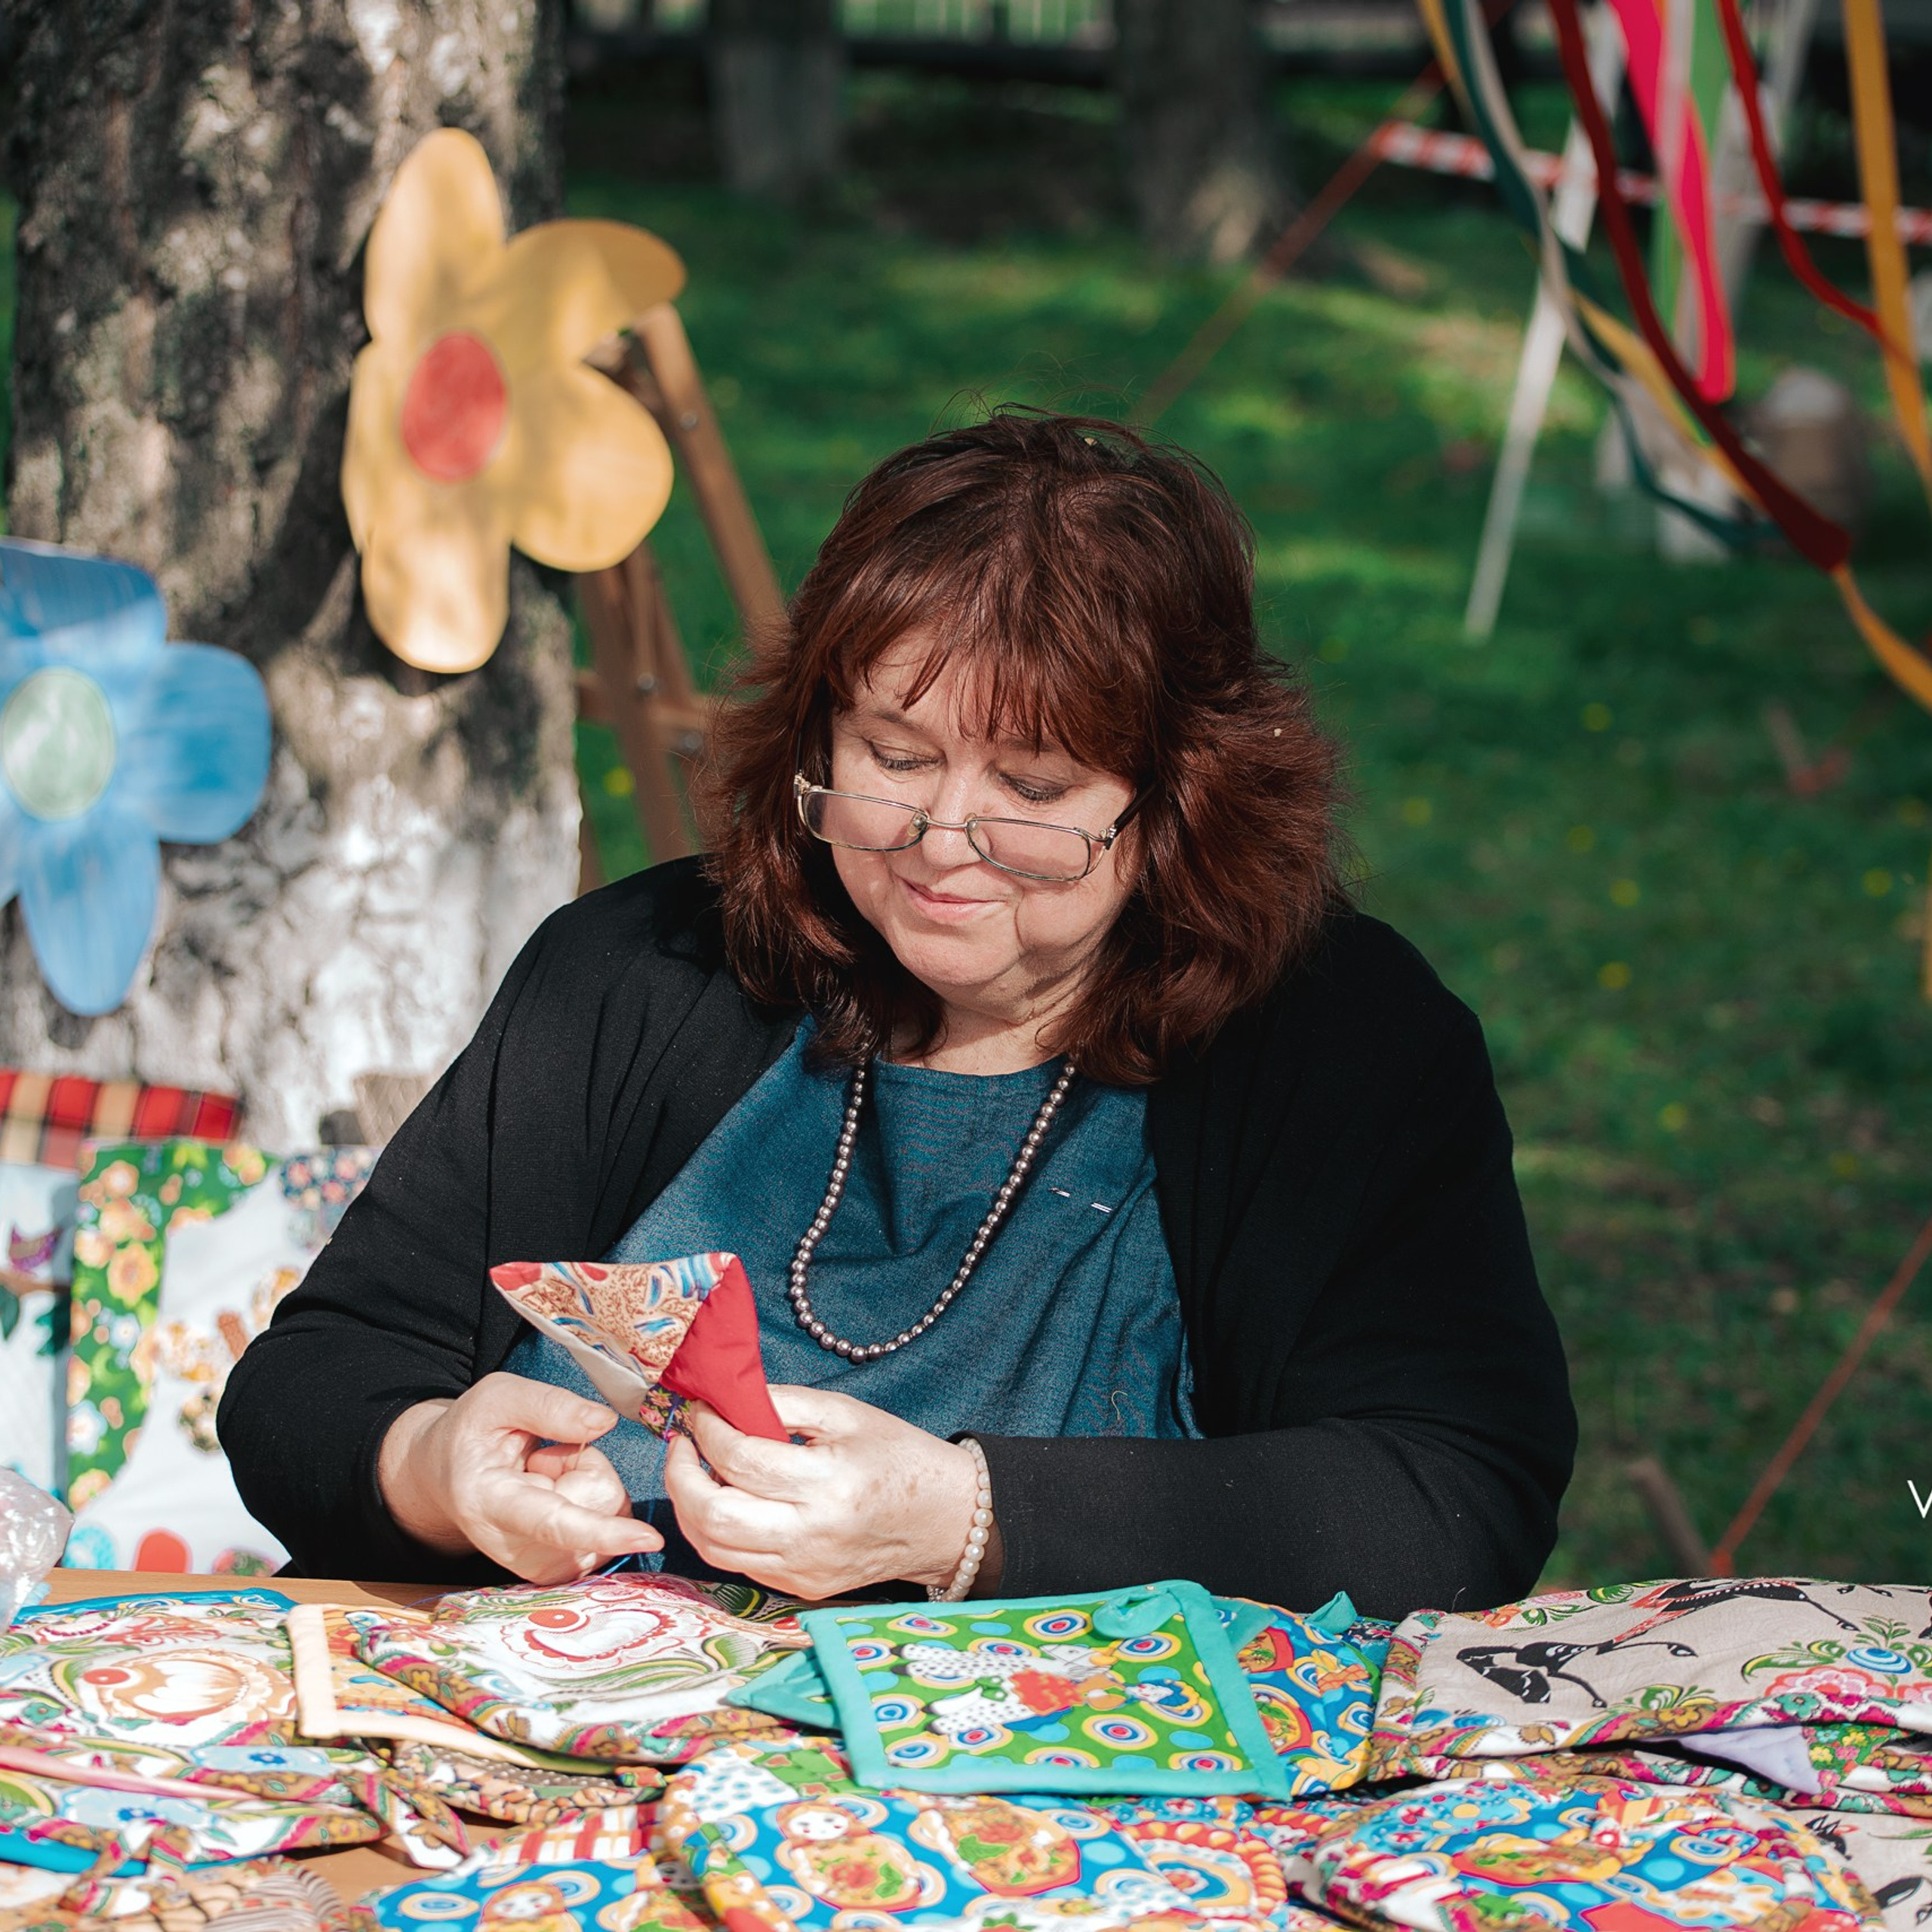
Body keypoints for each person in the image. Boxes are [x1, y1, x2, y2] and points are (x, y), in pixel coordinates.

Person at [221, 409, 1574, 1616]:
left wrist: (966, 1522)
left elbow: (1453, 1499)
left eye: (1035, 789)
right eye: (894, 756)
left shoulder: (1336, 1041)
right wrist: (429, 1467)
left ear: (1174, 803)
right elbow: (316, 1375)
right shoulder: (637, 974)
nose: (940, 840)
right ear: (817, 733)